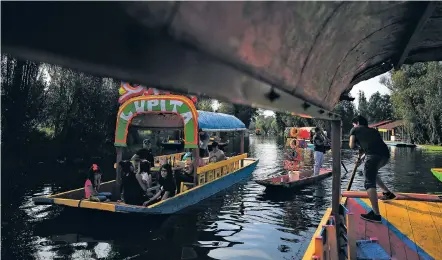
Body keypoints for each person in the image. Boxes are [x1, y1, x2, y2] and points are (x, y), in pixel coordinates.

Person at [349, 115, 396, 223]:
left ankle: (376, 214)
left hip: (373, 156)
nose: (353, 125)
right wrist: (361, 157)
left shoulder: (355, 129)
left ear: (357, 123)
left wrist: (358, 146)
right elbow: (371, 146)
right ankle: (388, 193)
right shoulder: (373, 131)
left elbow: (351, 145)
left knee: (369, 181)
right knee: (373, 174)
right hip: (385, 156)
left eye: (354, 124)